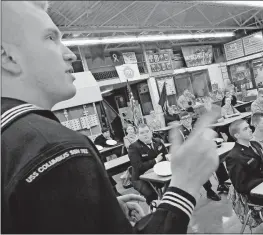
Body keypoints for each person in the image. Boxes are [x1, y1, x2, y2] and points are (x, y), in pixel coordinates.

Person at [1, 2, 221, 233]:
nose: (70, 54)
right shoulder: (52, 147)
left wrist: (98, 214)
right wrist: (184, 184)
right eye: (50, 38)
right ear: (8, 58)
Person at [178, 112, 227, 198]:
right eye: (184, 119)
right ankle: (209, 190)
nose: (187, 120)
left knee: (217, 159)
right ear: (181, 121)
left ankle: (222, 183)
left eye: (188, 118)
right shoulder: (180, 133)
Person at [128, 124, 168, 205]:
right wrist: (156, 160)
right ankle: (155, 212)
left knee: (173, 188)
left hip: (158, 174)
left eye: (147, 131)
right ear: (137, 135)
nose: (145, 134)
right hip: (140, 178)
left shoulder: (158, 141)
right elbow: (139, 167)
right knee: (153, 196)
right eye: (142, 133)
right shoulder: (133, 147)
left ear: (151, 132)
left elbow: (166, 156)